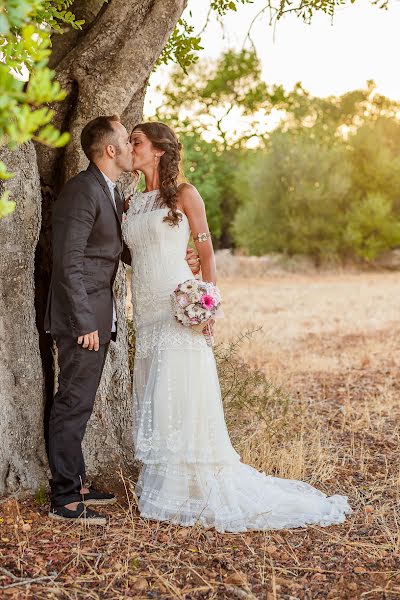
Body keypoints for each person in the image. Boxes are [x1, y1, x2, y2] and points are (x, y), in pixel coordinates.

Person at [122, 121, 352, 532]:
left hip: (178, 309)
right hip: (147, 309)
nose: (129, 147)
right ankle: (164, 484)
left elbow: (206, 254)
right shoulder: (131, 202)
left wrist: (205, 304)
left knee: (182, 392)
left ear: (158, 150)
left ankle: (191, 489)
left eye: (136, 142)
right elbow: (133, 254)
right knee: (157, 391)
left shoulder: (186, 195)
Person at [44, 115, 199, 524]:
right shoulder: (82, 191)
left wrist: (171, 253)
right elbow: (69, 263)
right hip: (82, 320)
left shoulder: (110, 192)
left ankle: (75, 482)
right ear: (110, 150)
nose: (133, 149)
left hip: (98, 314)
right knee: (72, 404)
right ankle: (63, 499)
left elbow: (117, 248)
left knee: (81, 401)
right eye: (126, 142)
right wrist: (82, 322)